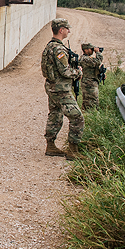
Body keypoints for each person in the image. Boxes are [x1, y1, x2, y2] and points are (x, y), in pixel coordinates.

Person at [40, 18, 84, 160]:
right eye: (67, 29)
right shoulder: (59, 49)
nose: (69, 31)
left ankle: (51, 145)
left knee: (55, 114)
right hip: (61, 89)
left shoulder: (49, 46)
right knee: (77, 117)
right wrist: (78, 72)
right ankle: (73, 150)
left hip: (52, 86)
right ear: (61, 30)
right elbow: (65, 71)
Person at [79, 43, 103, 110]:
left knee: (92, 103)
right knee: (91, 103)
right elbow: (98, 61)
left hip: (91, 83)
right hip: (89, 84)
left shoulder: (88, 59)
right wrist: (98, 52)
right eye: (91, 49)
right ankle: (89, 116)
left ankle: (88, 115)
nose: (92, 51)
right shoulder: (85, 59)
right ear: (86, 50)